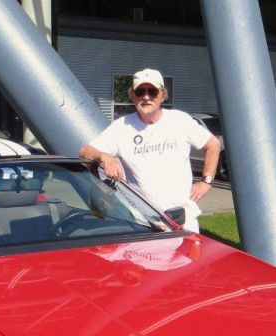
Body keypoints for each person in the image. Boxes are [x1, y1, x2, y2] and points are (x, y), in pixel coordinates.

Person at [79, 68, 221, 232]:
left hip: (184, 219)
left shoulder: (180, 120)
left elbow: (213, 145)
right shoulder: (121, 127)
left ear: (162, 95)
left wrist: (206, 182)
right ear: (133, 96)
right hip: (143, 223)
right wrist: (104, 156)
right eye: (140, 91)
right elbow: (85, 152)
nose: (146, 97)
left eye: (152, 91)